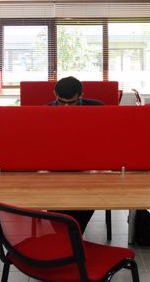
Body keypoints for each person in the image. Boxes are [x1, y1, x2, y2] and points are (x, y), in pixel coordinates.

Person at [48, 76, 103, 233]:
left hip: (89, 169)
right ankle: (68, 235)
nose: (66, 107)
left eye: (71, 102)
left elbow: (106, 138)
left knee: (86, 196)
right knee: (56, 199)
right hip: (55, 170)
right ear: (55, 95)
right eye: (61, 102)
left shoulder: (98, 109)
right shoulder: (44, 112)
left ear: (81, 95)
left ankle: (71, 235)